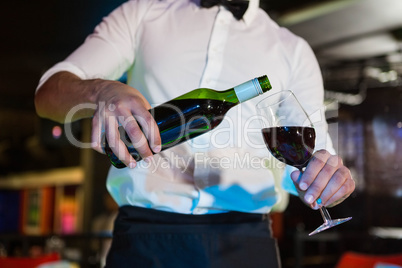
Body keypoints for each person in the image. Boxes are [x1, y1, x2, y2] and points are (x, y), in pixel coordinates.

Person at [34, 0, 355, 267]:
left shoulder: (294, 51)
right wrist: (101, 89)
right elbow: (47, 95)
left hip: (245, 245)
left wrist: (327, 181)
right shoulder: (143, 12)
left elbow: (310, 164)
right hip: (145, 240)